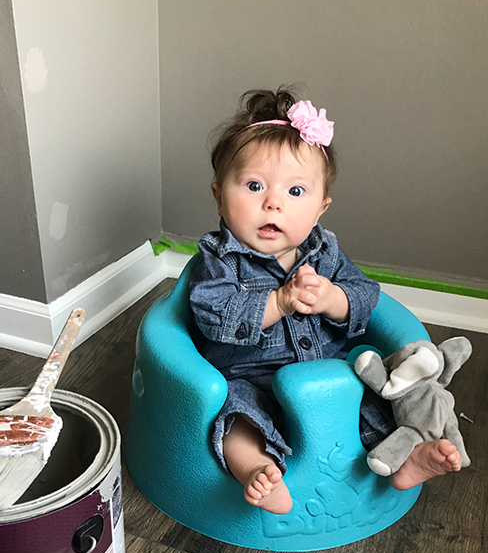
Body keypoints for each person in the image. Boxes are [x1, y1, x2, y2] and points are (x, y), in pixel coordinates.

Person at [189, 86, 463, 515]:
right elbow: (212, 315)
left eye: (295, 192)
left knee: (375, 402)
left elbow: (365, 297)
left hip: (331, 371)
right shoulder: (219, 259)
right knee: (234, 418)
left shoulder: (325, 252)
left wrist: (334, 298)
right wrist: (278, 302)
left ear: (321, 209)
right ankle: (257, 469)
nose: (273, 203)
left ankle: (407, 457)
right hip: (251, 377)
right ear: (219, 195)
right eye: (254, 185)